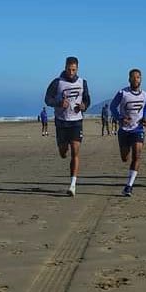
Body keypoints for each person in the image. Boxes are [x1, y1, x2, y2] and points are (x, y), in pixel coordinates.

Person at [45, 56, 91, 197]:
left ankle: (72, 185)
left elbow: (87, 99)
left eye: (74, 70)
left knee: (75, 151)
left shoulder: (83, 82)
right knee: (64, 152)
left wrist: (84, 106)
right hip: (61, 122)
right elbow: (47, 99)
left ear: (77, 68)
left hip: (76, 121)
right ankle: (61, 149)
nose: (71, 72)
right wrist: (59, 103)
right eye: (69, 69)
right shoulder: (57, 82)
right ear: (65, 67)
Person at [110, 68, 146, 197]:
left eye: (138, 77)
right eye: (133, 77)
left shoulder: (145, 95)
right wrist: (120, 118)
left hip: (137, 129)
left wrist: (145, 119)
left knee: (137, 155)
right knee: (124, 157)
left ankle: (129, 186)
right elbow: (112, 107)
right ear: (129, 79)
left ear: (141, 79)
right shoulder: (123, 93)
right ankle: (129, 183)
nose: (135, 79)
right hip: (124, 130)